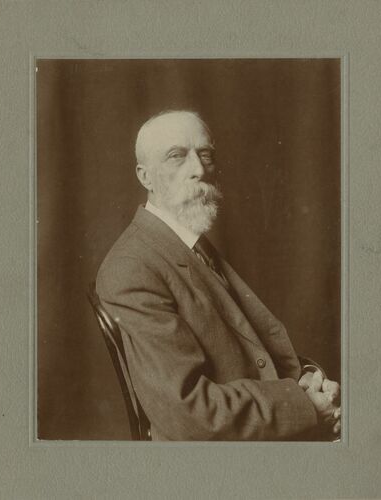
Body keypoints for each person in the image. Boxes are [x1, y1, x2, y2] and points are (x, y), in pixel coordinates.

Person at [96, 110, 341, 441]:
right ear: (145, 177)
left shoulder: (188, 243)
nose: (198, 170)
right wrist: (304, 405)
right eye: (176, 156)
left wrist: (307, 381)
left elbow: (249, 350)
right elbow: (190, 412)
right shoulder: (132, 267)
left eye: (205, 155)